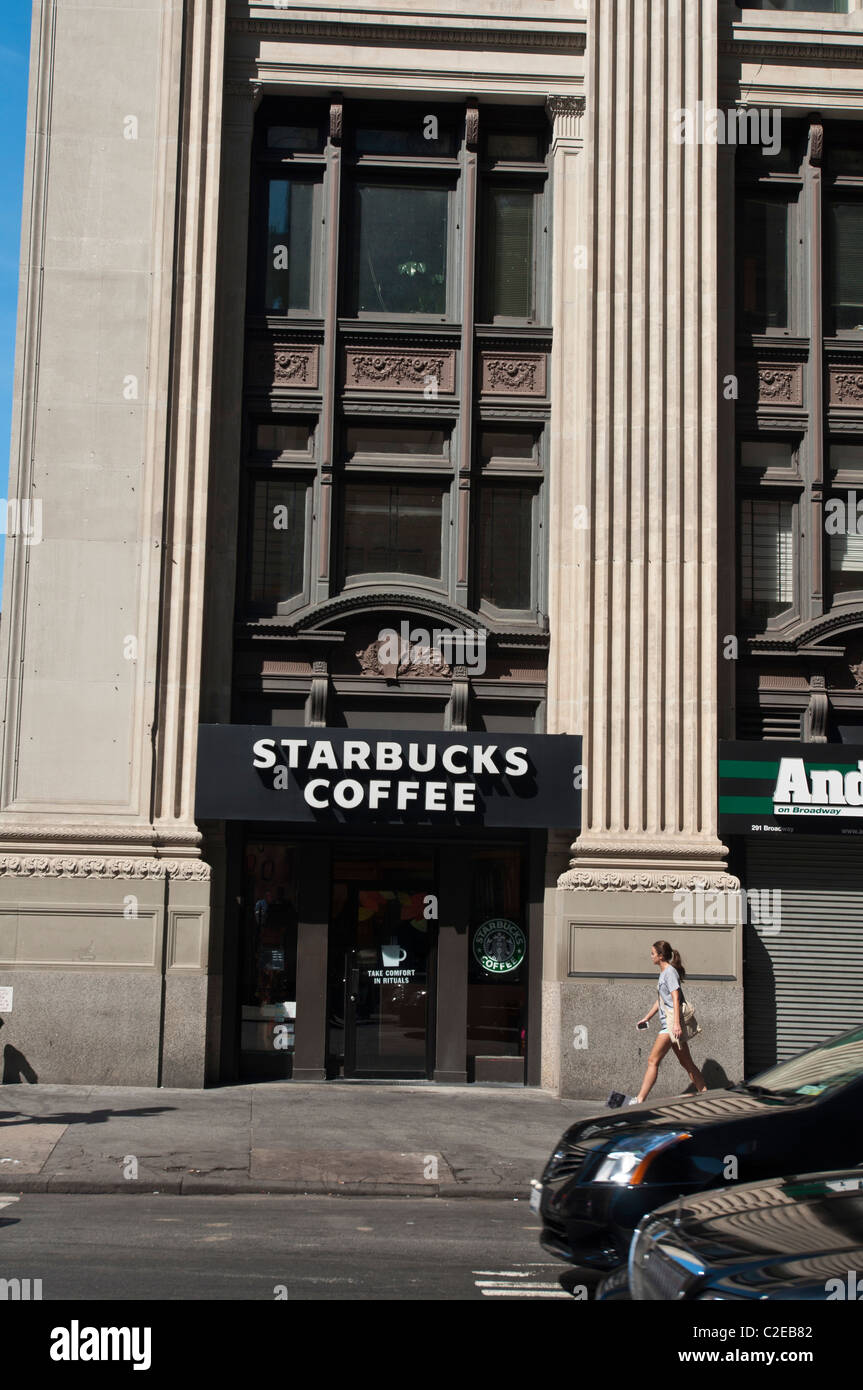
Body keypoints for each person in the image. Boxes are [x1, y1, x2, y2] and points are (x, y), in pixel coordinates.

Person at [629, 941, 707, 1105]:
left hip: (670, 1026)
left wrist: (677, 1024)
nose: (651, 956)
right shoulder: (665, 972)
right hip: (671, 1025)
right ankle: (706, 1094)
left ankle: (640, 1099)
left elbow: (675, 997)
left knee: (652, 1061)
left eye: (653, 953)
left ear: (660, 956)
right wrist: (647, 1018)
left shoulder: (669, 973)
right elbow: (661, 1001)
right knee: (686, 1063)